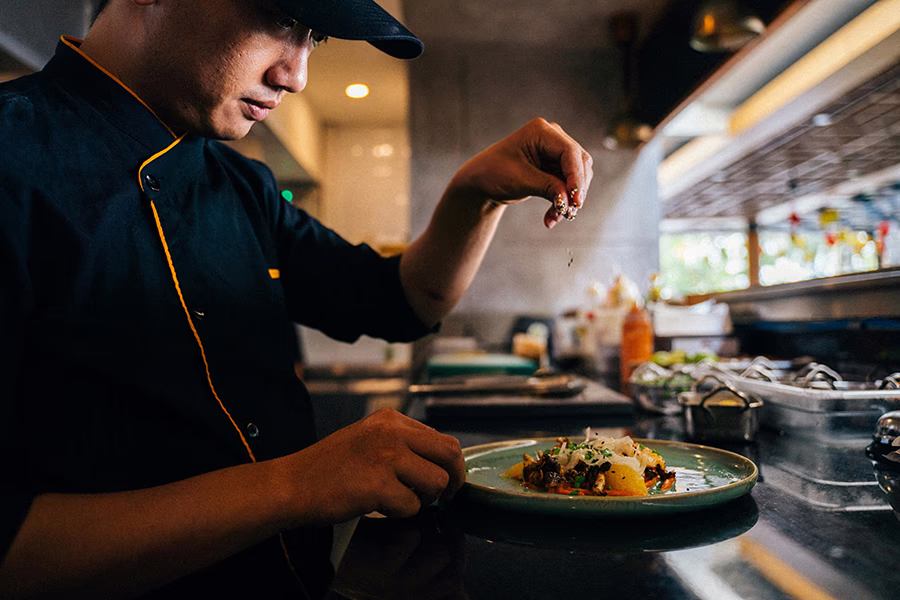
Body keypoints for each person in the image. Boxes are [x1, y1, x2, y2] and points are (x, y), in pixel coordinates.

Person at [0, 0, 593, 597]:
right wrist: (296, 486)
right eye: (283, 19)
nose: (297, 75)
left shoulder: (240, 185)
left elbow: (398, 302)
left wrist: (475, 193)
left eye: (315, 38)